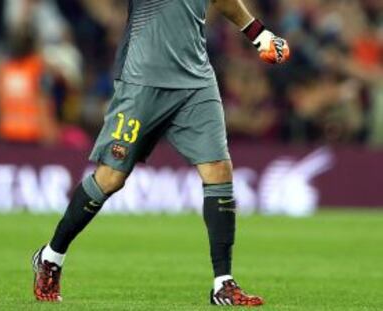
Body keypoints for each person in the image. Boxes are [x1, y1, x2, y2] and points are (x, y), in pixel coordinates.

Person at [32, 0, 290, 306]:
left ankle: (223, 283)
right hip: (142, 80)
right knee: (110, 177)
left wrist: (258, 34)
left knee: (218, 169)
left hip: (195, 81)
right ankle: (51, 256)